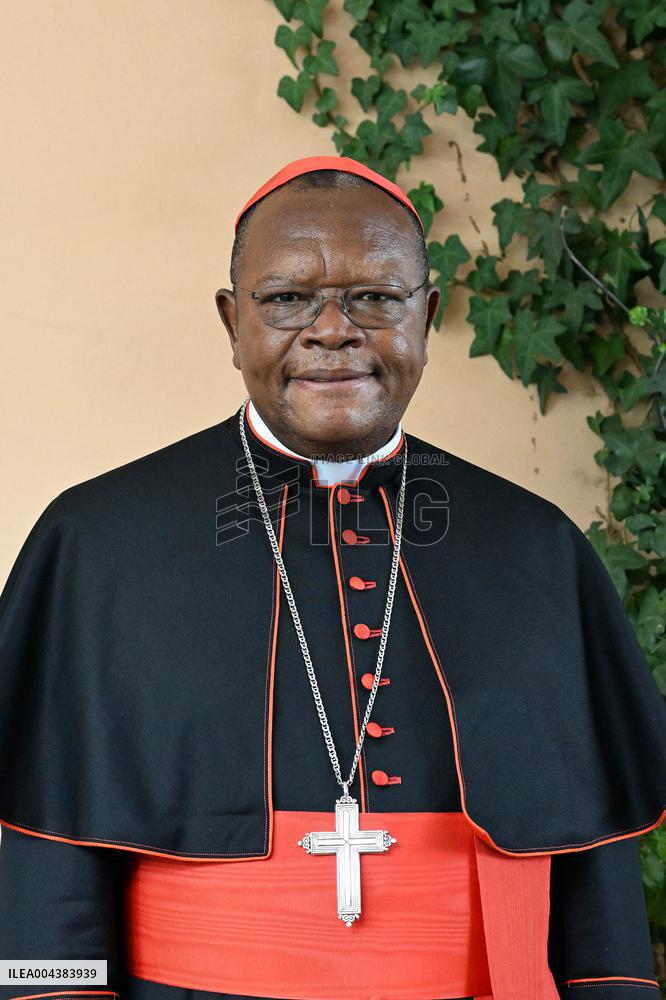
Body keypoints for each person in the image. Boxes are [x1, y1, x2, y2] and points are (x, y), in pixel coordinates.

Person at [0, 154, 664, 1000]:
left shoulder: (535, 550)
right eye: (286, 300)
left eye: (375, 298)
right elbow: (44, 876)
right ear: (231, 322)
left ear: (427, 315)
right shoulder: (96, 542)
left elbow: (595, 898)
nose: (332, 330)